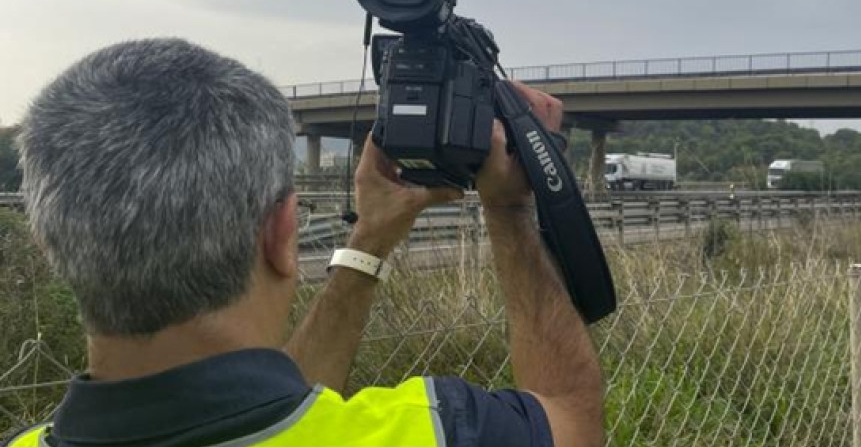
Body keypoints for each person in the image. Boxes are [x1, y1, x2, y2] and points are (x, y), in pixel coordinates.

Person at [6, 38, 604, 447]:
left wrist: (370, 238)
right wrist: (510, 208)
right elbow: (571, 418)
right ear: (283, 232)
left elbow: (276, 409)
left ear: (46, 241)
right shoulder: (433, 431)